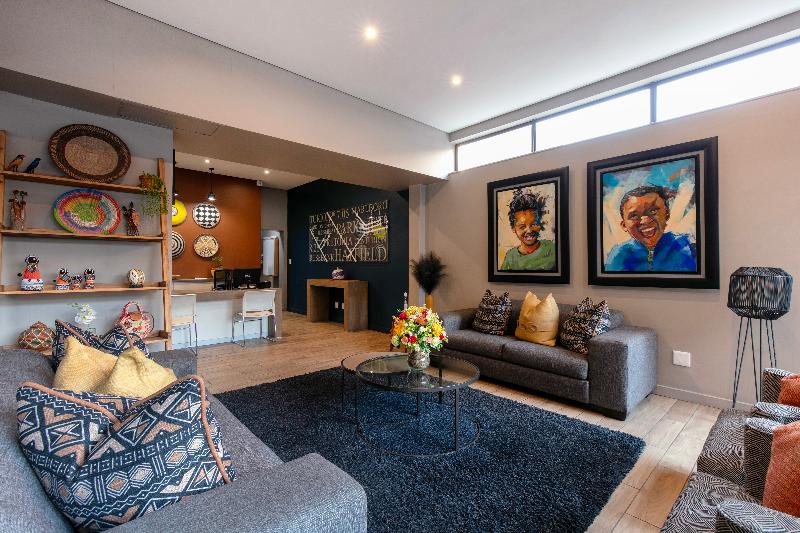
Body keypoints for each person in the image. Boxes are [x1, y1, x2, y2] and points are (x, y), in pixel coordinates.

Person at [605, 185, 696, 272]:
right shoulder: (619, 255)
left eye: (653, 211)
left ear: (666, 215)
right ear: (624, 225)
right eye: (634, 216)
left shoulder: (686, 246)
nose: (645, 220)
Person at [500, 188, 555, 271]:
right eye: (522, 226)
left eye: (534, 224)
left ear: (539, 223)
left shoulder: (551, 248)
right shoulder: (510, 257)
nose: (529, 231)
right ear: (513, 228)